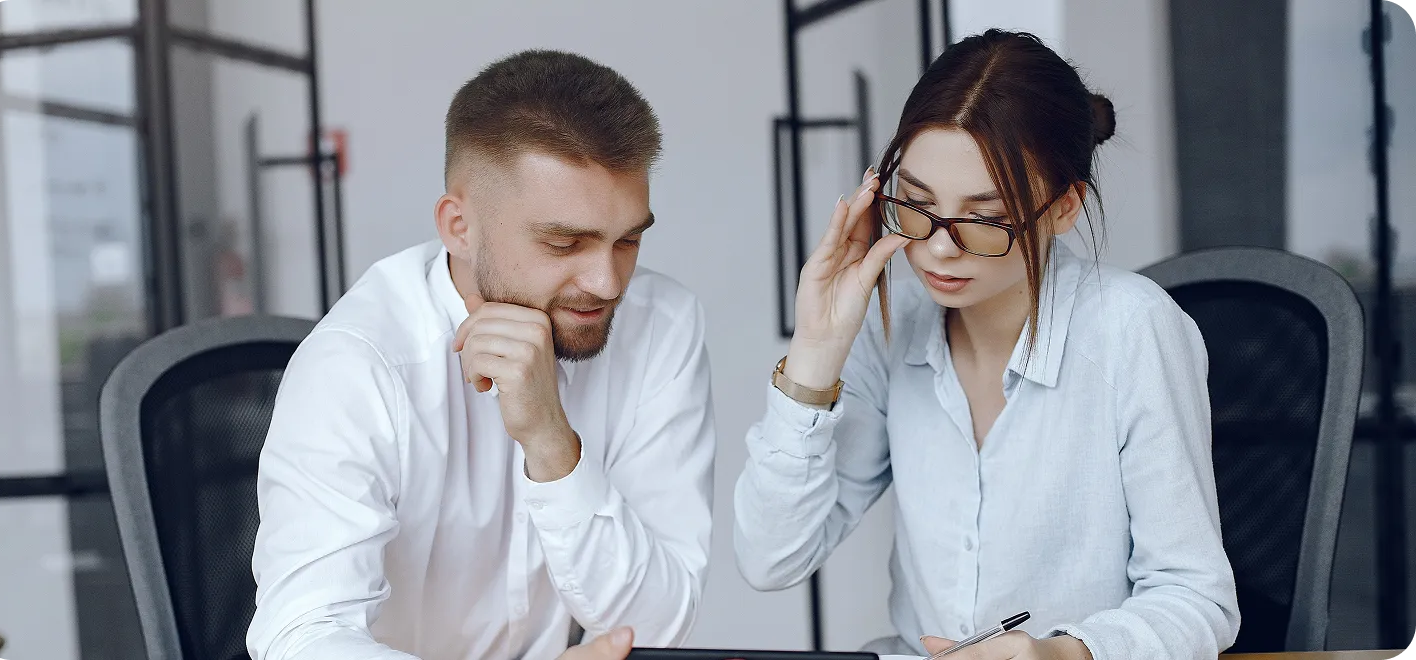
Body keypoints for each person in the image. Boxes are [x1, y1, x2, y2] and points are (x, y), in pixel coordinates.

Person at [734, 30, 1239, 660]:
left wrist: (1060, 654)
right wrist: (815, 351)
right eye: (915, 205)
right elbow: (771, 557)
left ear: (1064, 207)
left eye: (984, 218)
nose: (939, 247)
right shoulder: (890, 327)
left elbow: (1197, 599)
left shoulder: (1132, 330)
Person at [248, 50, 716, 660]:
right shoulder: (358, 364)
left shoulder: (660, 326)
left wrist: (553, 445)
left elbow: (661, 627)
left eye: (627, 240)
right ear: (459, 227)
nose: (606, 283)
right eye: (563, 243)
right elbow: (300, 637)